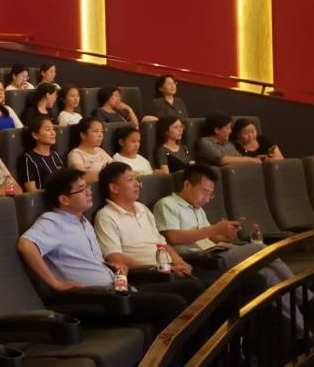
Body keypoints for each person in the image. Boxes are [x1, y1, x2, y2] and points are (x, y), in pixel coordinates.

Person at [17, 168, 202, 336]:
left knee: (192, 287)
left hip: (116, 289)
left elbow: (83, 260)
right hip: (94, 302)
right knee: (172, 304)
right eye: (81, 189)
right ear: (64, 199)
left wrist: (109, 267)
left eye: (87, 186)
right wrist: (56, 283)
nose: (89, 192)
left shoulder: (82, 221)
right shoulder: (53, 221)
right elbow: (26, 245)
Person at [153, 164, 297, 291]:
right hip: (199, 259)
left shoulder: (197, 208)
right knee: (260, 248)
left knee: (266, 274)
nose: (207, 199)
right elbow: (173, 237)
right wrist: (215, 228)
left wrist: (226, 235)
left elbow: (211, 236)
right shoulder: (166, 204)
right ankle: (301, 290)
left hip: (215, 252)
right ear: (187, 185)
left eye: (210, 194)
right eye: (204, 191)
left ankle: (300, 307)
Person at [93, 163, 197, 282]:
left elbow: (161, 243)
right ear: (114, 188)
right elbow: (114, 257)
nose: (138, 184)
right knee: (195, 287)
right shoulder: (105, 217)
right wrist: (161, 270)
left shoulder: (142, 208)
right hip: (145, 276)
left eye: (136, 179)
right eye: (130, 180)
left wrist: (180, 263)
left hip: (167, 270)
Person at [17, 115, 64, 192]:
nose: (53, 133)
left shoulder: (55, 155)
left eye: (53, 129)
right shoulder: (28, 158)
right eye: (48, 129)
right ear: (35, 135)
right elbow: (31, 190)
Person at [196, 114, 262, 166]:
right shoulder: (205, 142)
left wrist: (256, 158)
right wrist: (252, 160)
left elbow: (240, 158)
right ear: (217, 130)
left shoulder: (228, 143)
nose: (230, 131)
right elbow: (222, 160)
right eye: (228, 128)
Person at [65, 117, 112, 183]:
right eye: (96, 131)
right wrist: (107, 174)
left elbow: (116, 168)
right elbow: (82, 177)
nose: (100, 135)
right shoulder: (75, 154)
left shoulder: (100, 150)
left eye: (101, 131)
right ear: (83, 135)